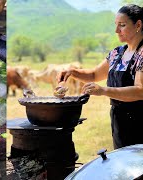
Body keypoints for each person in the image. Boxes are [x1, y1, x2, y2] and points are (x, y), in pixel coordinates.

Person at [57, 4, 143, 149]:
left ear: (138, 25)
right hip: (118, 120)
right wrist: (73, 72)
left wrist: (103, 90)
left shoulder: (141, 54)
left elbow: (140, 91)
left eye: (122, 25)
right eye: (116, 25)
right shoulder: (117, 53)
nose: (116, 30)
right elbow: (94, 74)